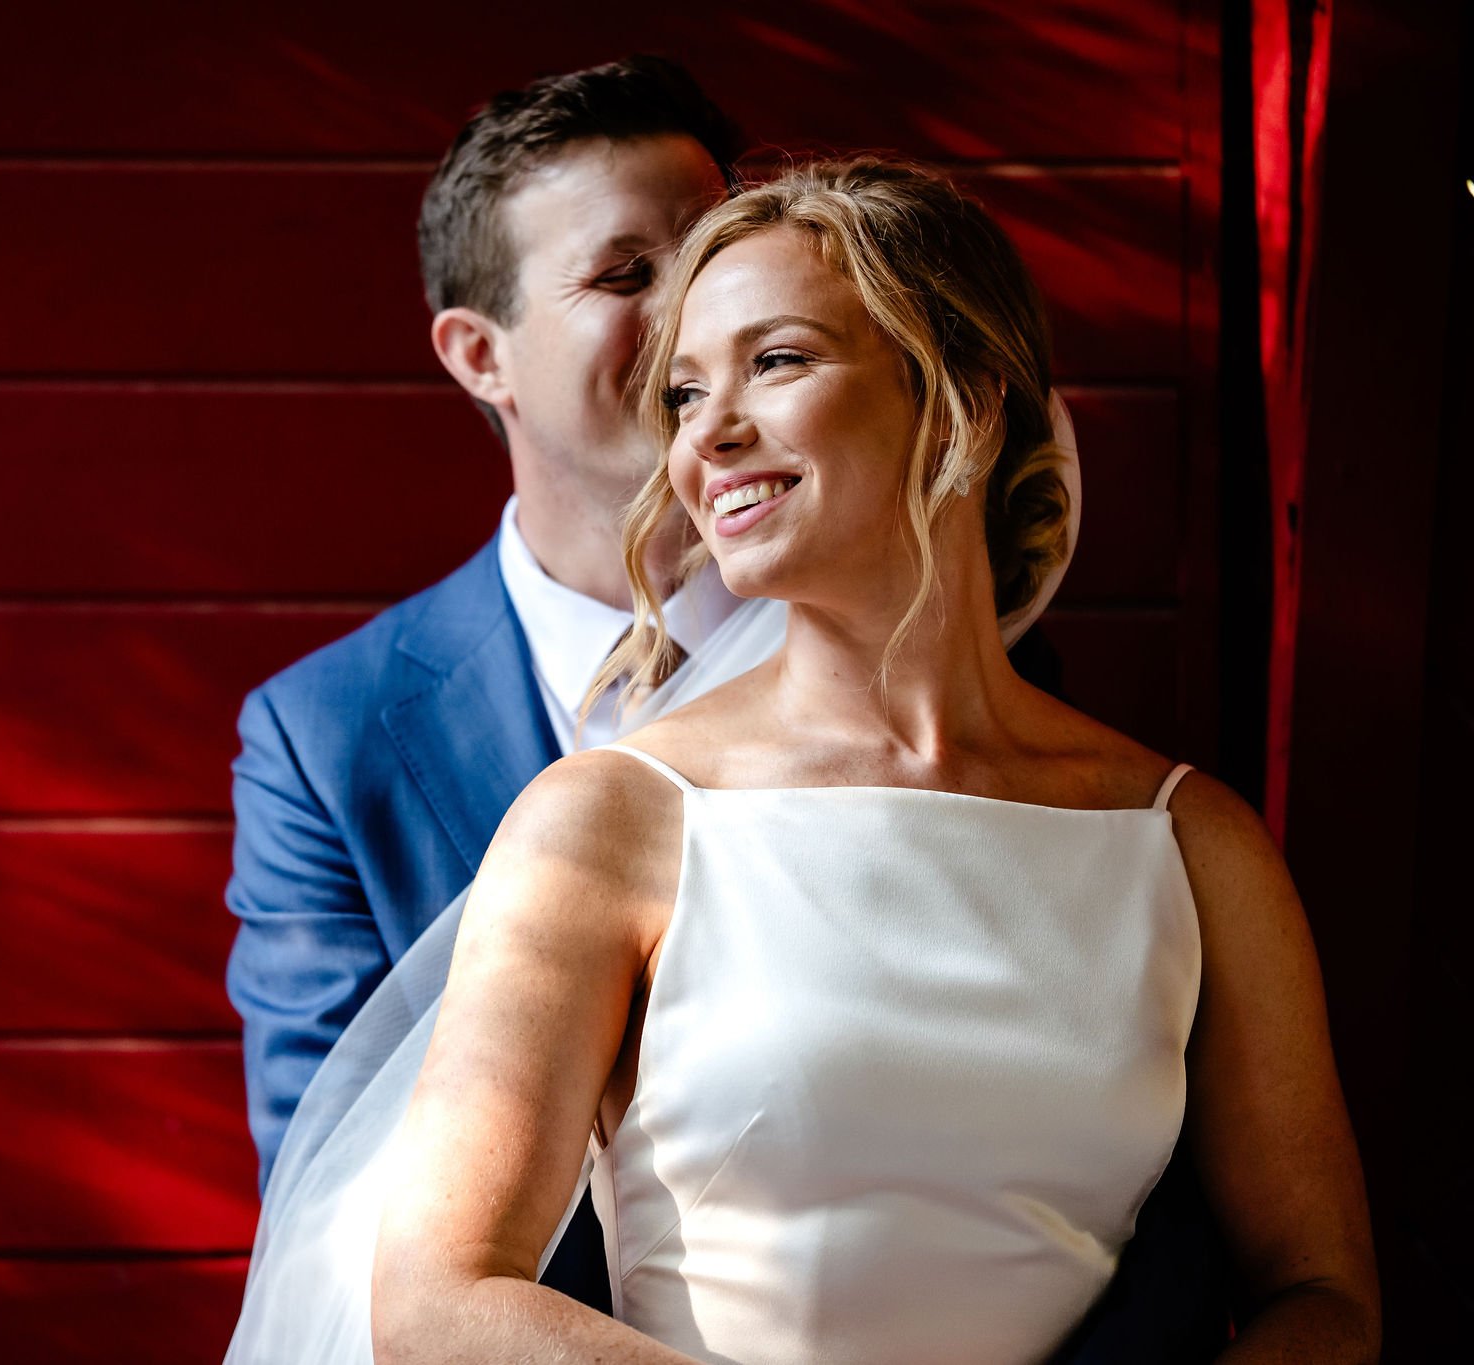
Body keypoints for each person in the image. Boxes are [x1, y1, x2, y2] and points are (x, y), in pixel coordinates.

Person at [369, 160, 1380, 1362]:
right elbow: (436, 1301)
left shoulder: (1187, 841)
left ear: (962, 395)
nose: (709, 434)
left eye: (777, 361)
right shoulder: (610, 820)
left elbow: (1319, 1296)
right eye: (684, 394)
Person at [223, 55, 748, 1308]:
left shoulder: (921, 645)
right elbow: (331, 1181)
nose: (686, 311)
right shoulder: (324, 738)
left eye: (713, 258)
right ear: (478, 356)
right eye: (626, 274)